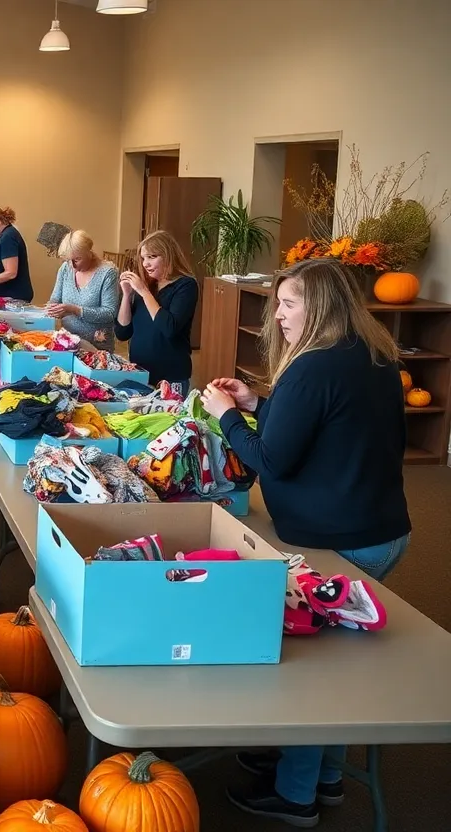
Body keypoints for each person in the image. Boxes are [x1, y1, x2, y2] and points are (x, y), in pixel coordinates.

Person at [200, 258, 411, 828]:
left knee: (312, 668)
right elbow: (330, 425)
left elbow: (269, 459)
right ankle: (325, 774)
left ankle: (296, 794)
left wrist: (225, 417)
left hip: (337, 540)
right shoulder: (375, 357)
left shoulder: (311, 367)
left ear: (318, 307)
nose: (279, 314)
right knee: (338, 657)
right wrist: (259, 405)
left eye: (289, 303)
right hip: (385, 533)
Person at [114, 230, 198, 390]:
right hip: (140, 373)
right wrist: (126, 295)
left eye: (152, 257)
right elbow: (122, 333)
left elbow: (169, 328)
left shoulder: (186, 285)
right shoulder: (145, 286)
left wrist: (144, 292)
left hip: (171, 377)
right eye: (143, 258)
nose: (145, 263)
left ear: (168, 256)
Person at [46, 229, 119, 345]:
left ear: (89, 252)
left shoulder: (107, 273)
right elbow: (55, 299)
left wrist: (76, 310)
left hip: (97, 346)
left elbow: (110, 313)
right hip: (68, 342)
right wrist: (53, 308)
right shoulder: (65, 268)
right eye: (68, 260)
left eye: (77, 260)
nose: (72, 266)